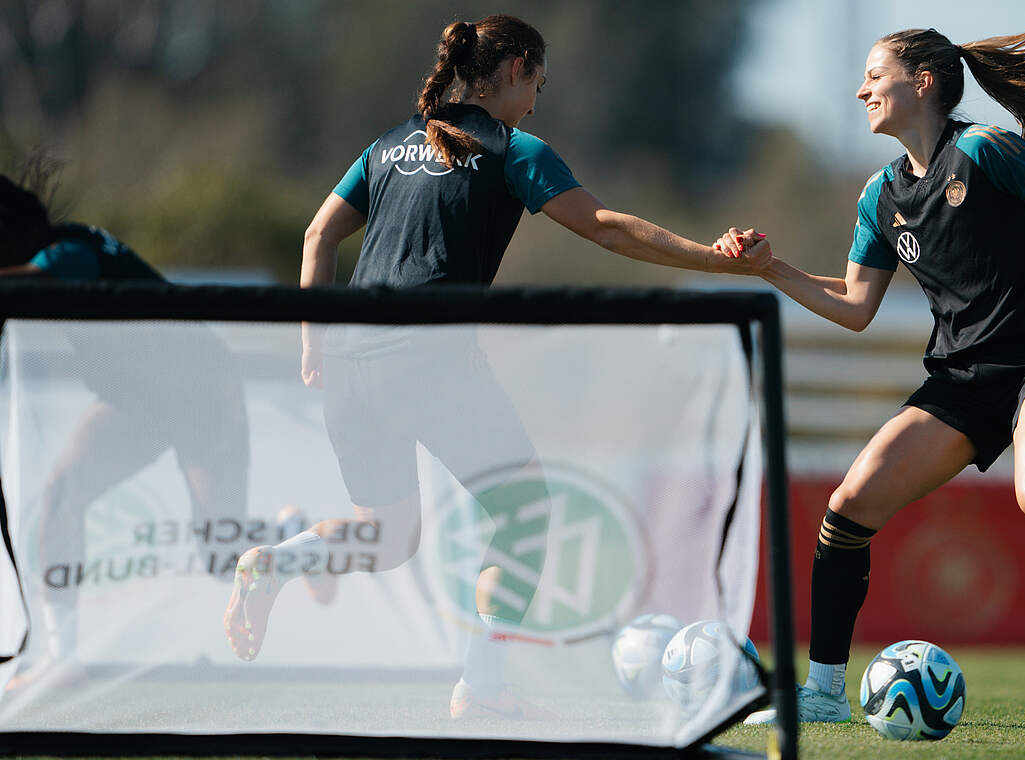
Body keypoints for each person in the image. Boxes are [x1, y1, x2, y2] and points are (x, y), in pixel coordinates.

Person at [219, 13, 768, 718]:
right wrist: (709, 255)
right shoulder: (513, 148)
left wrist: (310, 337)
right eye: (537, 82)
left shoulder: (389, 143)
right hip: (427, 351)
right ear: (515, 69)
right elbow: (602, 226)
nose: (537, 99)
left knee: (386, 535)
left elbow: (318, 231)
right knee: (524, 514)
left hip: (351, 360)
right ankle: (481, 687)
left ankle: (276, 560)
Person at [723, 15, 1025, 725]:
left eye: (875, 77)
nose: (861, 91)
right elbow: (855, 307)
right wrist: (770, 267)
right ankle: (821, 694)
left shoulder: (986, 149)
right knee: (849, 508)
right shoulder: (879, 197)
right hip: (959, 380)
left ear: (925, 83)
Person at [0, 159, 251, 691]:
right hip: (139, 403)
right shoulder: (51, 251)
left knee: (220, 552)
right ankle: (63, 657)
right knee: (62, 493)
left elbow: (38, 282)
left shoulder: (67, 251)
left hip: (203, 392)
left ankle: (298, 534)